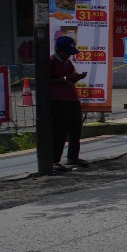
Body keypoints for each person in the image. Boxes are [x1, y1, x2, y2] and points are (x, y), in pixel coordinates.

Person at [49, 35, 88, 171]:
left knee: (75, 129)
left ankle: (73, 157)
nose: (68, 56)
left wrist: (76, 77)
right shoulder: (51, 62)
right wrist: (65, 78)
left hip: (72, 99)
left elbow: (71, 78)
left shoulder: (68, 63)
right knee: (59, 131)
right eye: (66, 52)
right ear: (59, 50)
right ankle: (53, 160)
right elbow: (46, 81)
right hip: (58, 100)